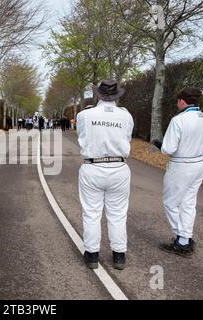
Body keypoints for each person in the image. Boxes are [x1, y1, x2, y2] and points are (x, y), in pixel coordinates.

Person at [77, 80, 134, 271]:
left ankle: (92, 254)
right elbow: (127, 138)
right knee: (117, 214)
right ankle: (119, 256)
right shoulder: (126, 116)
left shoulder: (85, 115)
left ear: (99, 95)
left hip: (93, 166)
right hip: (118, 167)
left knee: (91, 213)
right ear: (116, 96)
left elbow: (82, 137)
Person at [153, 88, 203, 258]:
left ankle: (182, 240)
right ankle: (185, 237)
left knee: (170, 203)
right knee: (188, 203)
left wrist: (160, 145)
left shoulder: (178, 120)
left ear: (182, 101)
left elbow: (168, 149)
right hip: (199, 164)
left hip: (181, 165)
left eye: (177, 101)